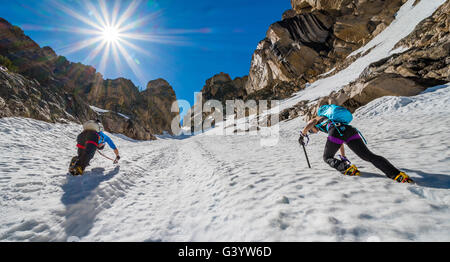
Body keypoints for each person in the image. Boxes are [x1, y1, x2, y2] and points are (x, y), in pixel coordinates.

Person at [299, 107, 414, 183]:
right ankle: (396, 174)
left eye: (311, 131)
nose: (312, 132)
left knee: (327, 157)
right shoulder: (329, 122)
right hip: (349, 130)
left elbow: (311, 122)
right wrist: (343, 157)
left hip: (337, 131)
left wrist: (303, 134)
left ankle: (347, 169)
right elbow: (340, 142)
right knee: (368, 156)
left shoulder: (318, 119)